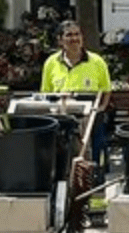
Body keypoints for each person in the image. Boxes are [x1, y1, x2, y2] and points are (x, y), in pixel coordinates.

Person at [41, 21, 112, 166]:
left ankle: (93, 176)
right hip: (61, 111)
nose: (74, 39)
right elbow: (46, 92)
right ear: (60, 40)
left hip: (90, 111)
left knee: (96, 146)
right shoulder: (51, 63)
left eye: (77, 34)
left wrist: (101, 108)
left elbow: (106, 89)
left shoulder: (97, 62)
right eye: (69, 35)